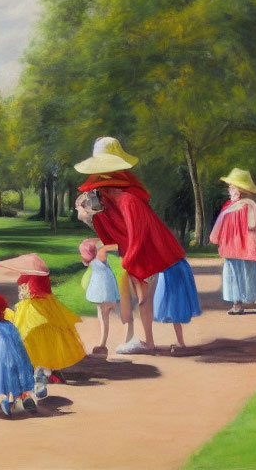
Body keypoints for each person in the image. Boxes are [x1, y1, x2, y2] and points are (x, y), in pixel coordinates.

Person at [74, 136, 200, 354]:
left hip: (159, 257)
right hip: (140, 257)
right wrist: (90, 217)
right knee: (142, 301)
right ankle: (149, 342)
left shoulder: (129, 201)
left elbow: (138, 235)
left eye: (98, 187)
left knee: (153, 301)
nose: (95, 193)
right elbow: (113, 238)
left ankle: (169, 343)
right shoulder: (109, 206)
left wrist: (128, 260)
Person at [0, 253, 86, 398]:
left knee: (28, 336)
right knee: (48, 340)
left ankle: (38, 372)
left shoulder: (30, 279)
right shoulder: (41, 276)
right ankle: (47, 369)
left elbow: (27, 293)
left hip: (32, 307)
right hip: (46, 306)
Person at [208, 168, 256, 314]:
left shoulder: (230, 207)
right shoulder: (251, 205)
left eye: (231, 186)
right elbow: (254, 225)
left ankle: (238, 305)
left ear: (239, 189)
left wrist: (221, 235)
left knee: (238, 273)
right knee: (255, 272)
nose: (229, 189)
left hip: (234, 245)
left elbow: (219, 229)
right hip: (248, 245)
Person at [79, 237, 119, 357]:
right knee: (103, 315)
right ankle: (102, 344)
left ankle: (102, 344)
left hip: (102, 288)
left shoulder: (92, 258)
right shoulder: (100, 253)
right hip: (103, 287)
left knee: (103, 316)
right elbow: (115, 246)